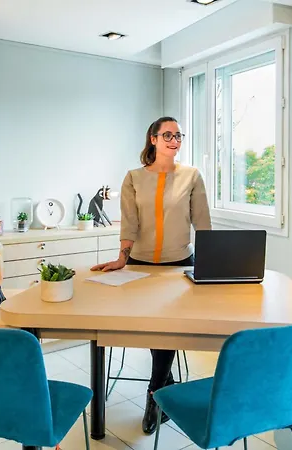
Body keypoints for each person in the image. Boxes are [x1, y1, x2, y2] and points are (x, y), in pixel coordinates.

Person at [91, 116, 212, 435]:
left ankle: (155, 393)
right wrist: (122, 258)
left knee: (167, 326)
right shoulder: (133, 178)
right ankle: (166, 383)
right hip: (141, 266)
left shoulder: (191, 176)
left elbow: (202, 222)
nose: (174, 140)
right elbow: (129, 222)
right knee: (153, 327)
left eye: (178, 135)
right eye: (167, 135)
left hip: (179, 265)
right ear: (153, 139)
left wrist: (211, 263)